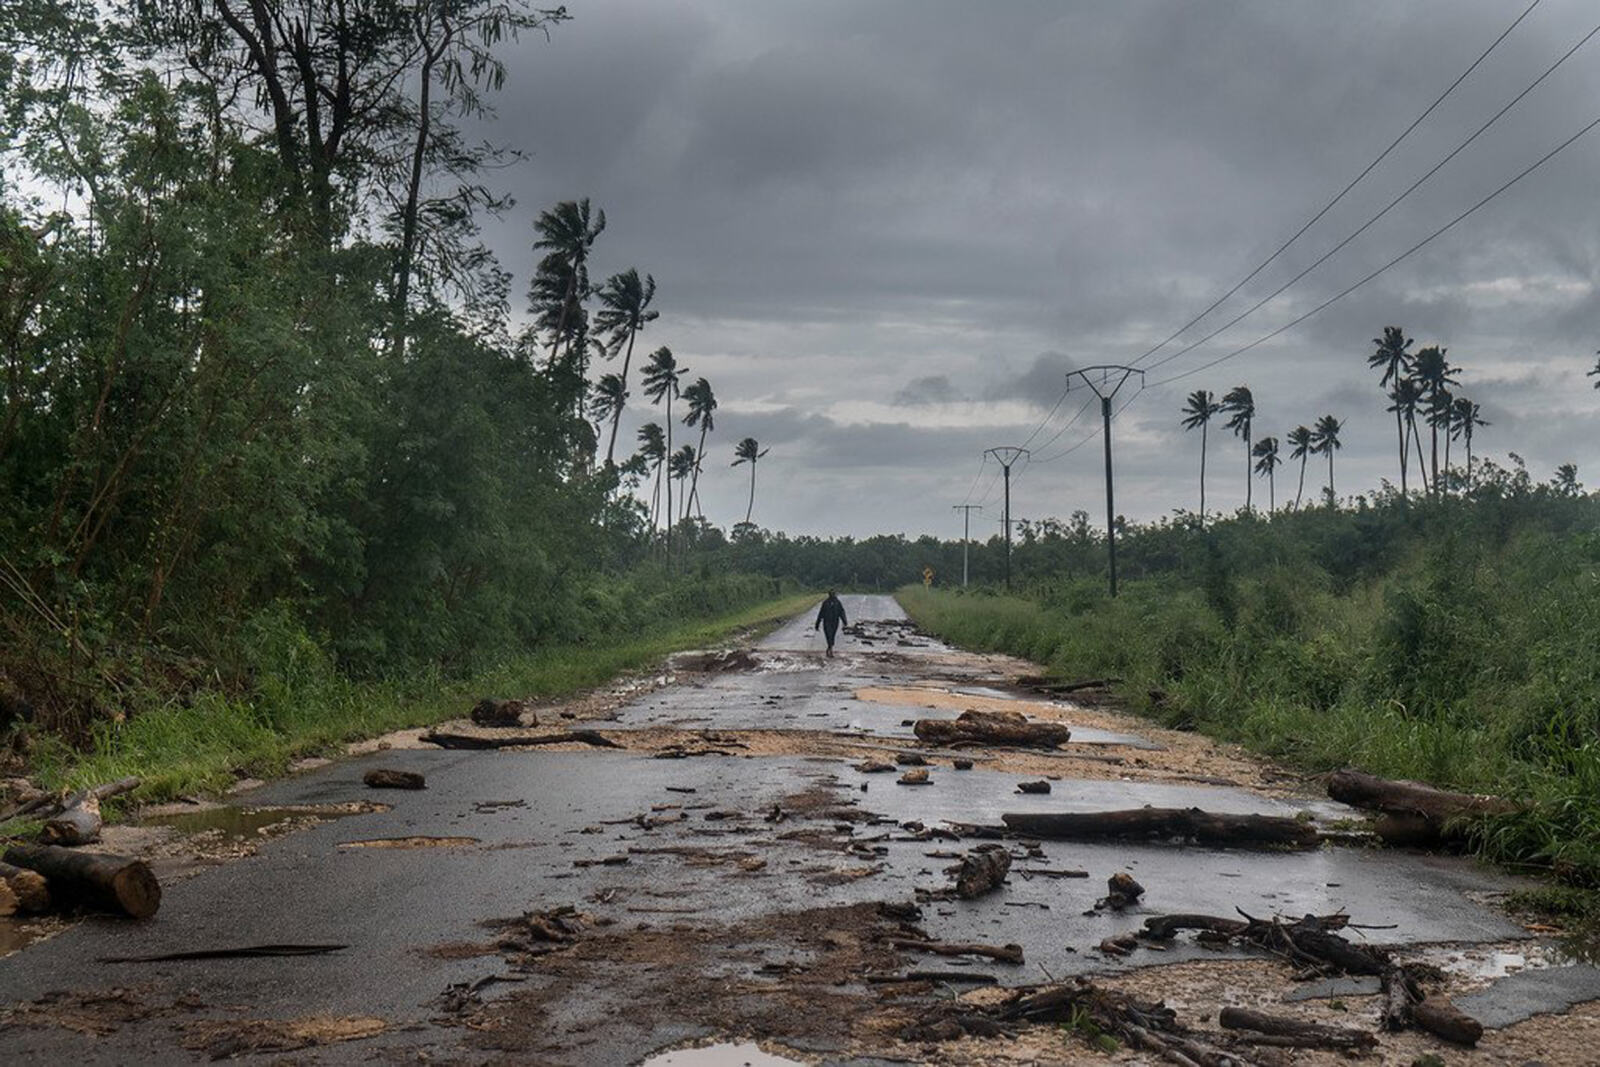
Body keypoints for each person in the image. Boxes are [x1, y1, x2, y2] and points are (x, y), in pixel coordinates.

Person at [814, 591, 847, 657]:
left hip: (835, 621)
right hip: (827, 621)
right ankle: (830, 649)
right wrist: (817, 623)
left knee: (832, 635)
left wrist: (844, 621)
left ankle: (829, 647)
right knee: (829, 635)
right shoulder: (825, 603)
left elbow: (841, 612)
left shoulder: (838, 602)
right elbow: (821, 613)